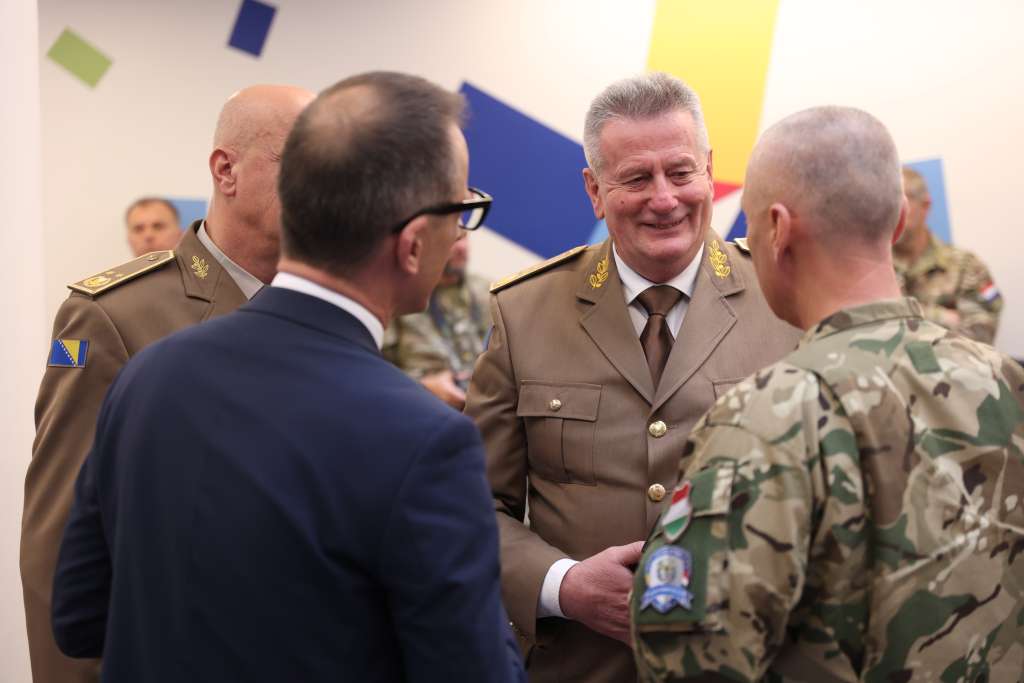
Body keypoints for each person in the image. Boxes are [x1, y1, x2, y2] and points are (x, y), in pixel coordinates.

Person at [51, 71, 523, 683]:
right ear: (411, 245)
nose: (459, 233)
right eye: (462, 211)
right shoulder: (425, 440)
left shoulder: (148, 375)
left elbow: (79, 619)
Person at [631, 106, 1024, 681]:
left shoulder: (765, 417)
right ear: (899, 220)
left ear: (777, 229)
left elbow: (690, 663)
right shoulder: (1007, 383)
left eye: (748, 227)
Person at [463, 72, 800, 682]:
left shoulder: (788, 302)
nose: (664, 199)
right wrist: (563, 585)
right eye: (637, 179)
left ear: (709, 171)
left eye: (681, 172)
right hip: (581, 665)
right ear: (595, 191)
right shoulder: (524, 312)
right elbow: (472, 506)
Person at [22, 83, 314, 683]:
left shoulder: (327, 312)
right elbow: (58, 544)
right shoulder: (115, 315)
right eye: (302, 162)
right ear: (226, 171)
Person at [893, 166, 1003, 343]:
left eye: (899, 199)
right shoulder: (872, 270)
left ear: (925, 205)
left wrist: (901, 315)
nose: (891, 209)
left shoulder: (965, 266)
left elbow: (980, 336)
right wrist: (944, 317)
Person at [383, 233, 490, 409]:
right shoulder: (398, 298)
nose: (461, 248)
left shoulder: (490, 293)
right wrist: (423, 386)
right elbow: (373, 372)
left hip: (484, 408)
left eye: (464, 238)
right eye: (453, 240)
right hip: (419, 407)